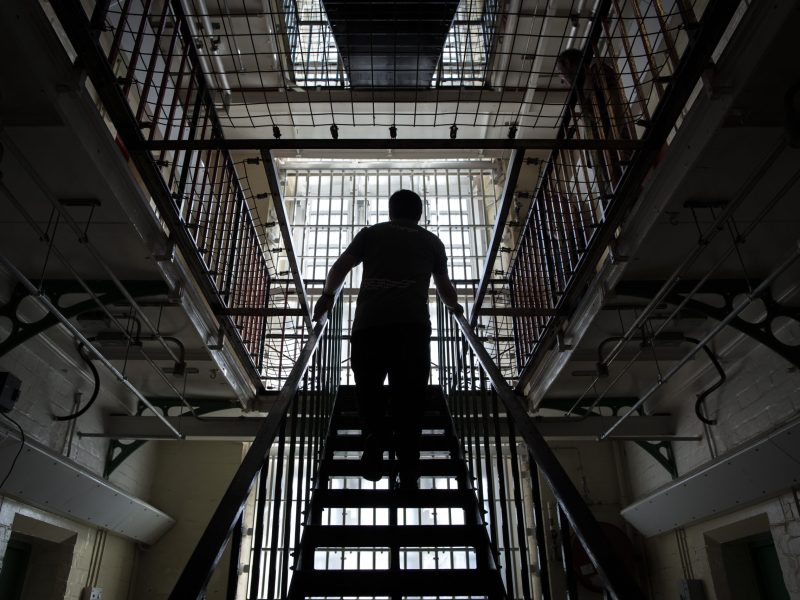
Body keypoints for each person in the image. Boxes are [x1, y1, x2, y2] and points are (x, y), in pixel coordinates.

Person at [312, 189, 463, 490]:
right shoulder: (432, 242)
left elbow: (341, 266)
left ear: (391, 210)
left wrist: (327, 296)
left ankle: (373, 435)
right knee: (410, 397)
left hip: (370, 325)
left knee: (368, 388)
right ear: (419, 214)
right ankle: (408, 468)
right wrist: (454, 307)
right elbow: (444, 285)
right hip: (413, 327)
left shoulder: (370, 234)